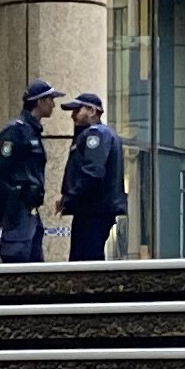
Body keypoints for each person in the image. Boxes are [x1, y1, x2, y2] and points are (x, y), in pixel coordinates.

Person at [0, 80, 59, 262]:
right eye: (51, 99)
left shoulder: (32, 131)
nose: (54, 104)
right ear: (40, 101)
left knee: (35, 263)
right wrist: (0, 210)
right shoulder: (15, 131)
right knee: (17, 255)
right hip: (17, 208)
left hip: (30, 208)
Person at [58, 90, 128, 262]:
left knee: (84, 262)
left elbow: (92, 173)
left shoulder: (95, 134)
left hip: (92, 210)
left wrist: (69, 198)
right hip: (96, 210)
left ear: (92, 111)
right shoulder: (102, 134)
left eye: (77, 110)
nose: (73, 116)